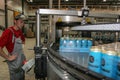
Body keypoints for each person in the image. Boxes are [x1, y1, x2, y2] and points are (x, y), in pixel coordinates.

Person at [0, 14, 26, 80]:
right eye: (21, 22)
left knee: (22, 77)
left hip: (21, 61)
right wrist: (8, 57)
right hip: (14, 63)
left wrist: (23, 57)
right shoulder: (8, 32)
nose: (23, 24)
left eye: (23, 22)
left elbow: (23, 41)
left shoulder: (19, 31)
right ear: (15, 21)